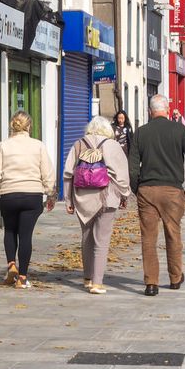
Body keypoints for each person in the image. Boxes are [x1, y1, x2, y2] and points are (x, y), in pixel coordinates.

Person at [130, 94, 185, 296]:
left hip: (147, 190)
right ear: (166, 109)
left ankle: (151, 283)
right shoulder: (179, 130)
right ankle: (174, 278)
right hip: (172, 191)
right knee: (173, 234)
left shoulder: (140, 133)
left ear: (149, 111)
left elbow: (132, 167)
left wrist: (136, 189)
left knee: (148, 238)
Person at [0, 111, 55, 289]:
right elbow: (47, 172)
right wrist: (50, 193)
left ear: (12, 126)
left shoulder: (3, 146)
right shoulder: (38, 146)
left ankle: (11, 265)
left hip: (9, 195)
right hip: (32, 196)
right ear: (29, 126)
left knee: (9, 231)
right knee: (26, 236)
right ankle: (22, 278)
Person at [63, 116, 130, 295]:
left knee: (86, 238)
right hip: (106, 197)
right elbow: (122, 174)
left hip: (82, 197)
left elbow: (68, 173)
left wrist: (69, 200)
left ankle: (87, 277)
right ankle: (97, 283)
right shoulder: (112, 145)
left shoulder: (78, 144)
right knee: (102, 240)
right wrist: (125, 195)